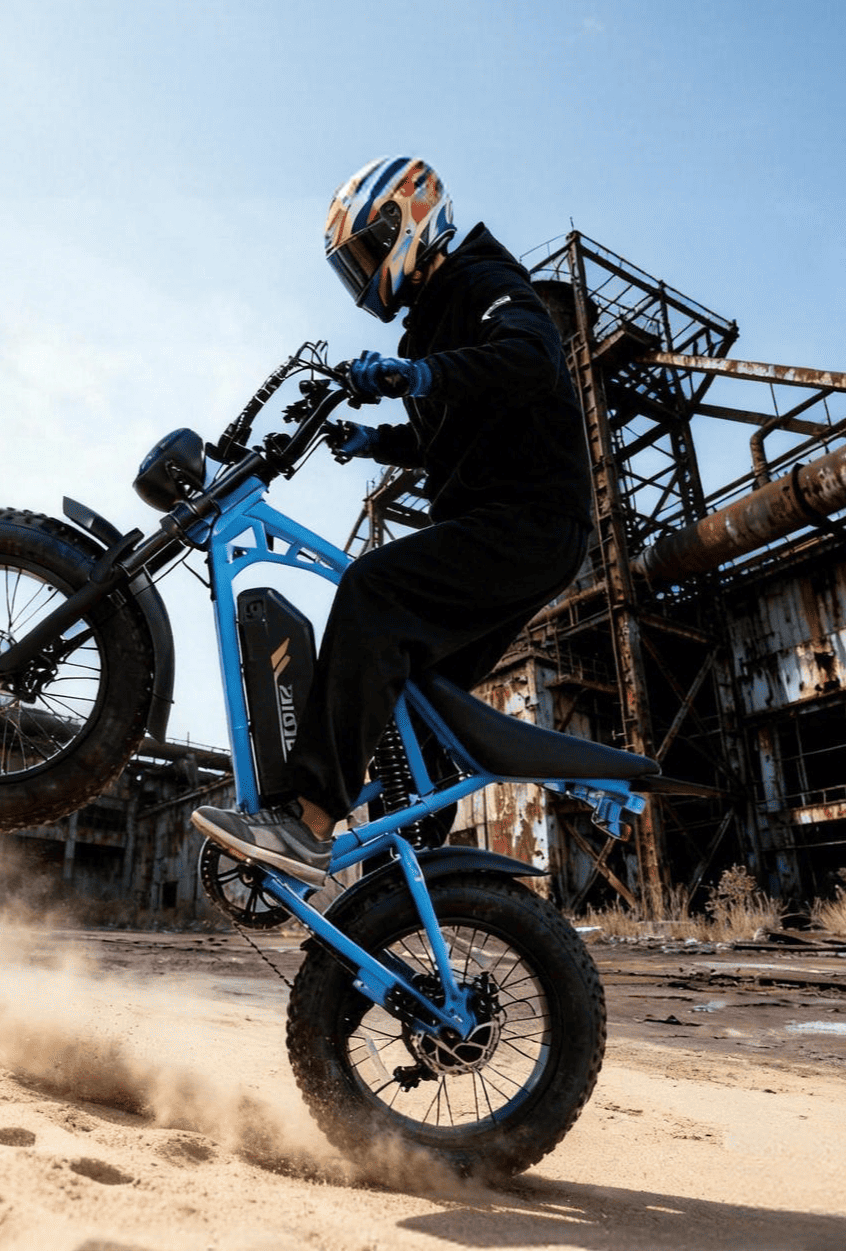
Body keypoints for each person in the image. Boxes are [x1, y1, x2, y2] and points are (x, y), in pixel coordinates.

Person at [191, 155, 594, 882]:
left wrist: (421, 375)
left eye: (365, 254)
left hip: (530, 520)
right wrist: (377, 440)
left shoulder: (486, 281)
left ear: (406, 220)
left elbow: (530, 359)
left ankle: (307, 823)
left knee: (375, 593)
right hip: (500, 519)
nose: (362, 277)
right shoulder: (432, 320)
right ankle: (404, 878)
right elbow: (450, 432)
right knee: (420, 705)